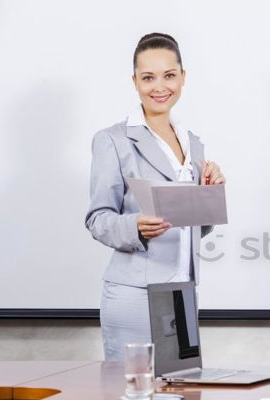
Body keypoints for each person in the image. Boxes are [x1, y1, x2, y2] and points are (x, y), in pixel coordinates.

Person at [85, 33, 226, 361]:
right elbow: (97, 219)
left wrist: (209, 195)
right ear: (135, 82)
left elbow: (195, 229)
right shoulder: (114, 140)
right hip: (136, 295)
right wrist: (135, 225)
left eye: (169, 76)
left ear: (183, 77)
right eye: (148, 78)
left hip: (184, 293)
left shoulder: (193, 142)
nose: (159, 87)